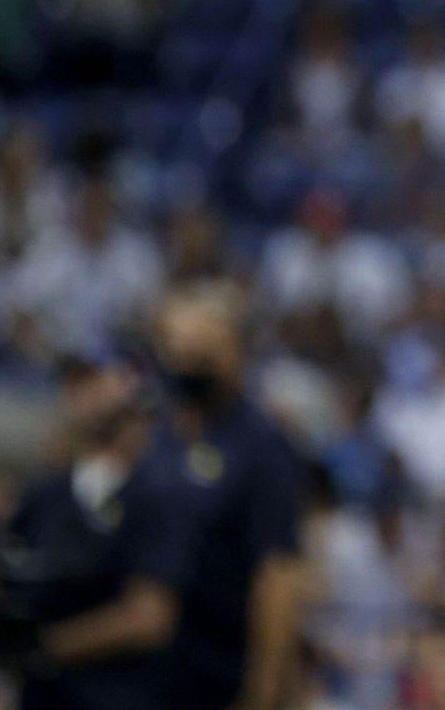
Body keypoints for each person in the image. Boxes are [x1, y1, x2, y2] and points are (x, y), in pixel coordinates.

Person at [0, 355, 191, 709]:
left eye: (101, 385)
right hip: (42, 696)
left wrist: (45, 645)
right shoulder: (46, 494)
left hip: (120, 693)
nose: (91, 398)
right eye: (79, 386)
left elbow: (149, 617)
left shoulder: (156, 496)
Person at [152, 284, 306, 710]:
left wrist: (260, 695)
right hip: (146, 676)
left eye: (203, 351)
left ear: (236, 350)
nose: (187, 363)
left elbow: (278, 576)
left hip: (220, 673)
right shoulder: (153, 433)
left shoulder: (262, 445)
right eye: (177, 349)